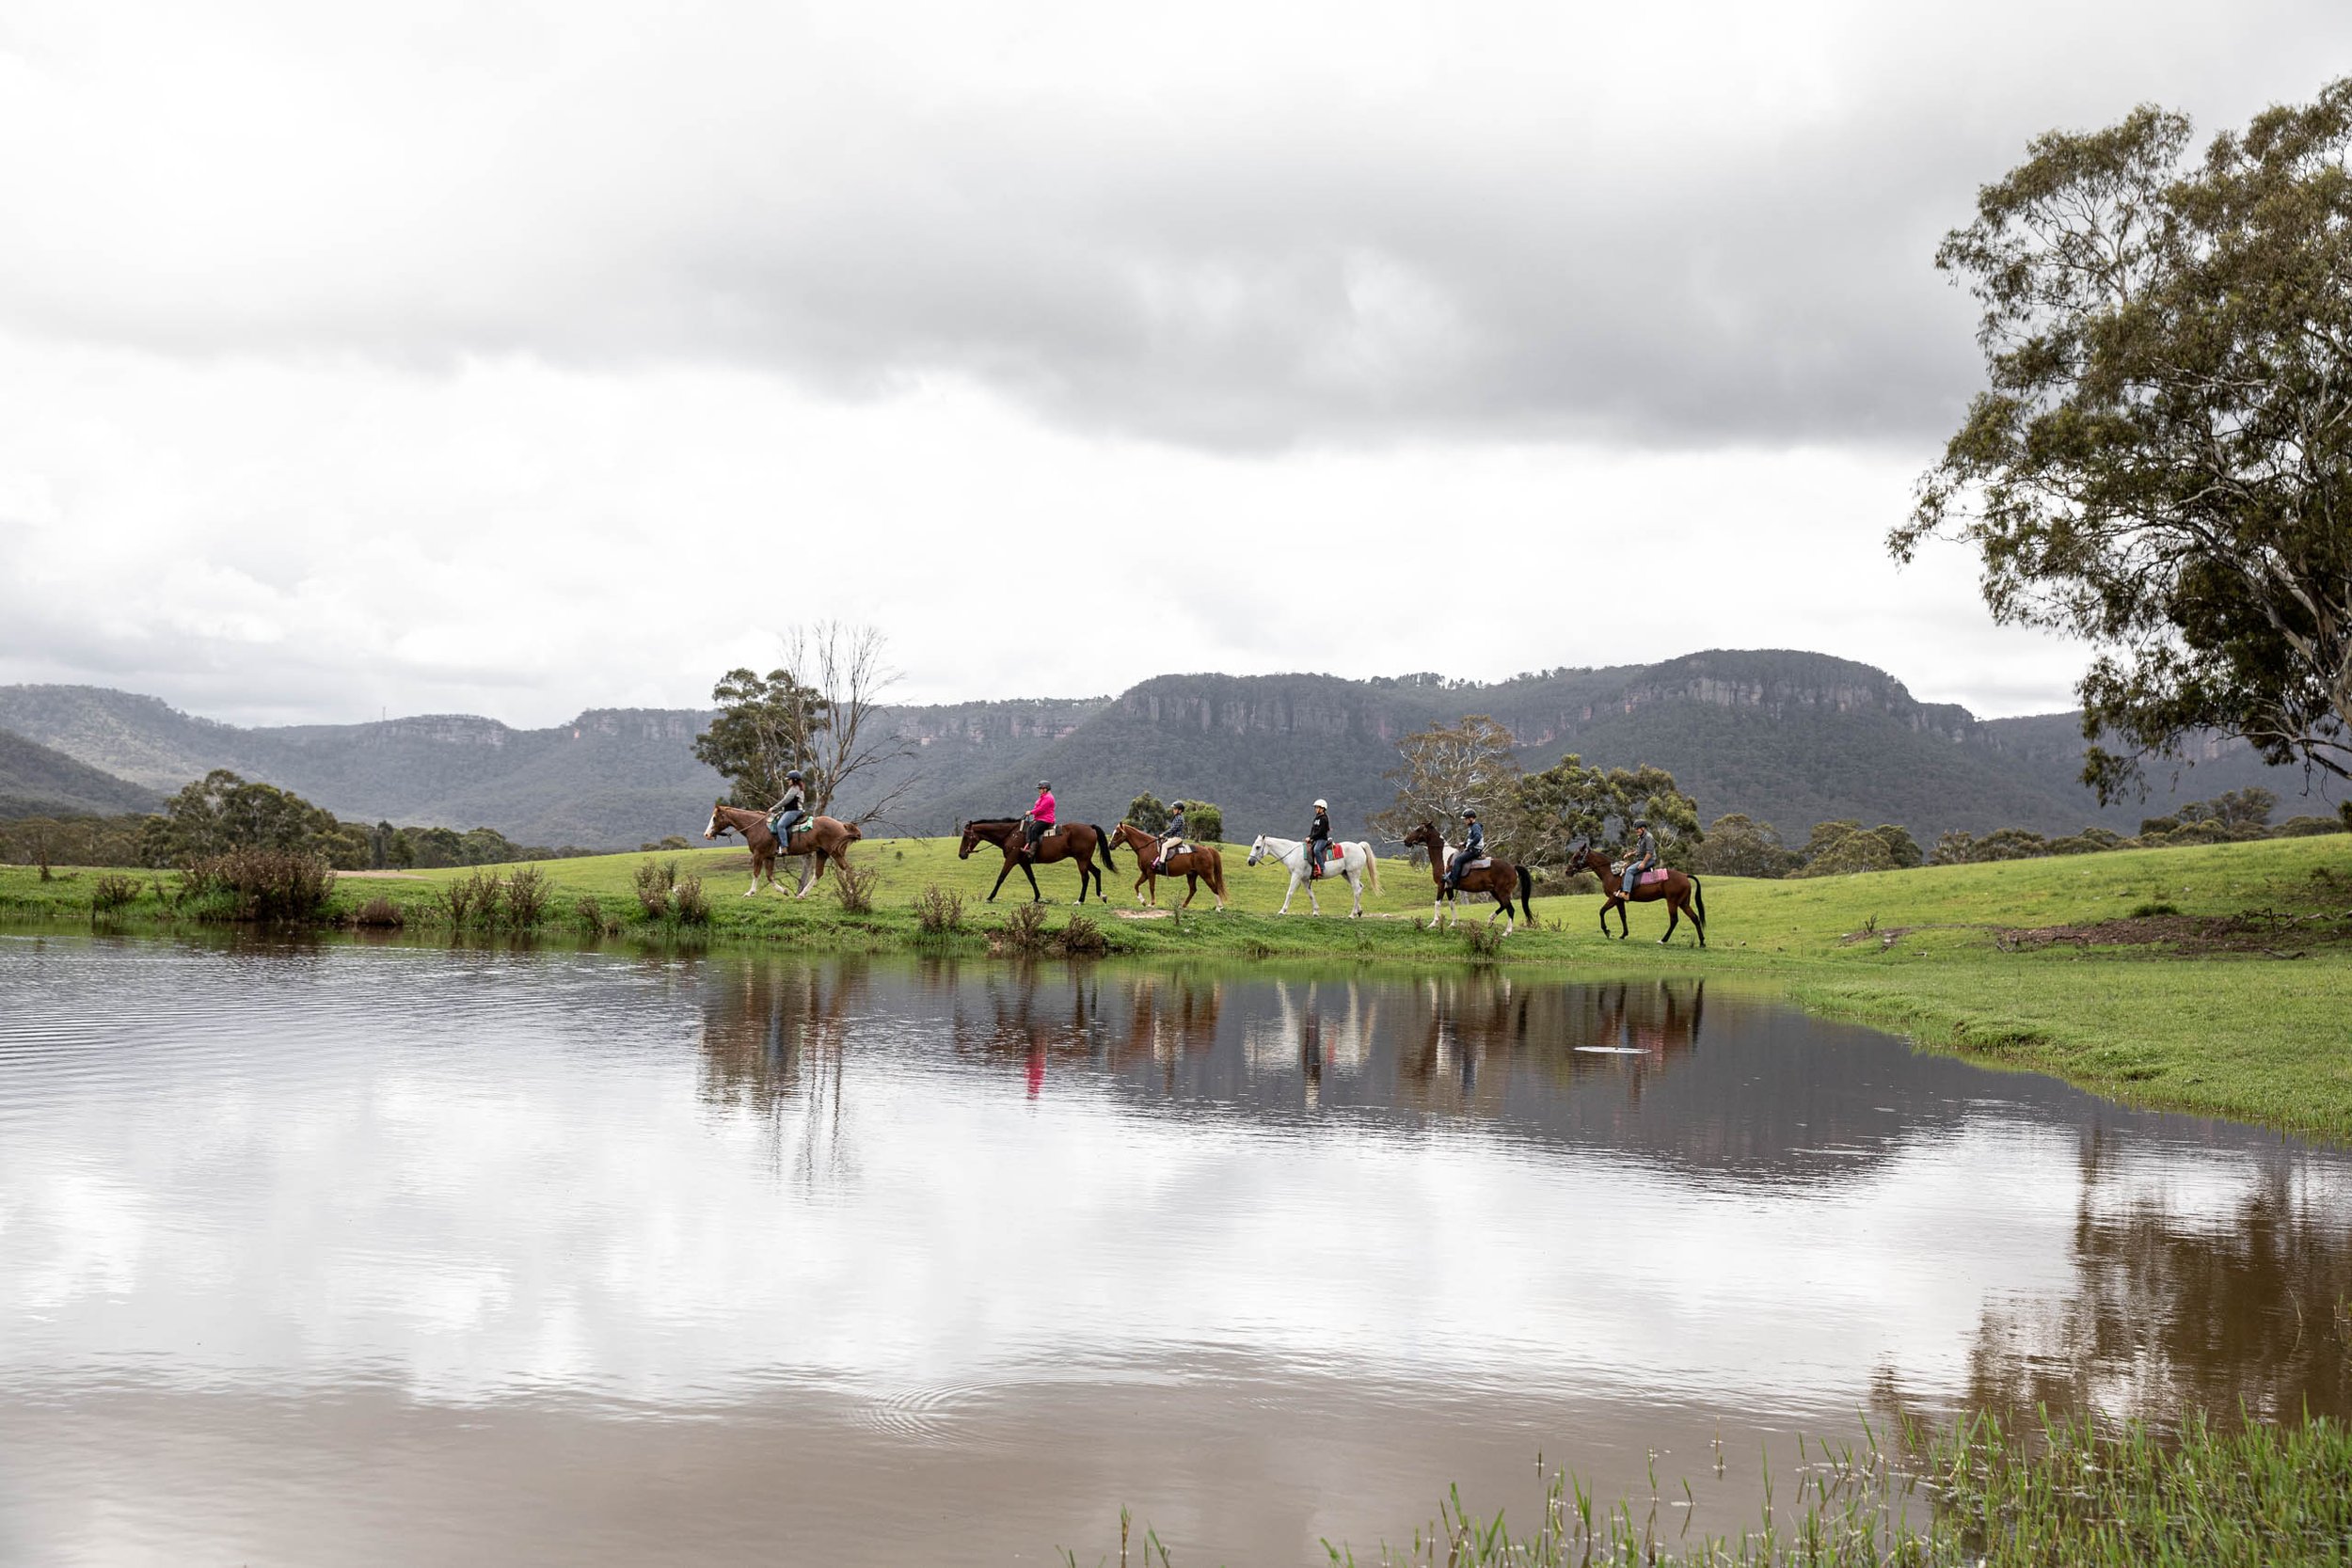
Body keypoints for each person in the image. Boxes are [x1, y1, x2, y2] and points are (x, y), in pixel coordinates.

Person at [1443, 807, 1485, 893]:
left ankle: (1453, 882)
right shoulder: (1473, 826)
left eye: (1466, 819)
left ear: (1471, 818)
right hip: (1473, 848)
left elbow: (1478, 837)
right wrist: (1465, 843)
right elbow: (1472, 839)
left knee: (1458, 860)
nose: (1464, 821)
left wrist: (1469, 845)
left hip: (1474, 850)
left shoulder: (1475, 826)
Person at [768, 769, 807, 845]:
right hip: (789, 811)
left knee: (780, 825)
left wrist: (773, 808)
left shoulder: (795, 789)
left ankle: (784, 846)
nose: (788, 781)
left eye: (789, 779)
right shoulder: (794, 788)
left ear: (794, 780)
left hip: (794, 811)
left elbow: (785, 801)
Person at [1623, 817, 1659, 895]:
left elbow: (1649, 853)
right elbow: (1639, 851)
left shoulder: (1649, 837)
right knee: (1625, 867)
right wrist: (1630, 854)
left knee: (1629, 870)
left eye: (1637, 829)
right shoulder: (1641, 838)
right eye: (1635, 829)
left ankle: (1626, 893)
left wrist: (1643, 863)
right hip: (1641, 859)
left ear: (1643, 828)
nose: (1636, 831)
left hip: (1649, 860)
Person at [1024, 780, 1056, 861]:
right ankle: (1029, 846)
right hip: (1040, 818)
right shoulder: (1043, 797)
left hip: (1046, 819)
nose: (1039, 790)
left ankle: (1032, 851)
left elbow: (1041, 809)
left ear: (1045, 789)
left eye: (1040, 788)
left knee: (1034, 830)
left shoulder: (1048, 798)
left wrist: (1031, 812)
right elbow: (1037, 807)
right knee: (1030, 828)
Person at [1155, 800, 1188, 873]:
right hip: (1174, 837)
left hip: (1177, 838)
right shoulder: (1177, 817)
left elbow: (1172, 829)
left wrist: (1163, 834)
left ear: (1180, 810)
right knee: (1161, 843)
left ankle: (1161, 864)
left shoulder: (1179, 818)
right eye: (1173, 809)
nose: (1173, 810)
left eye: (1175, 809)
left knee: (1164, 845)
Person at [1306, 799, 1332, 879]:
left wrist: (1311, 837)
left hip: (1322, 839)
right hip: (1316, 839)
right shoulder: (1316, 818)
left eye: (1318, 807)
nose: (1316, 809)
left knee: (1316, 850)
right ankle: (1313, 868)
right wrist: (1309, 837)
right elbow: (1313, 829)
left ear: (1323, 809)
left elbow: (1321, 831)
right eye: (1316, 807)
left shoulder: (1324, 818)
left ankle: (1322, 868)